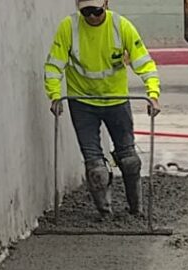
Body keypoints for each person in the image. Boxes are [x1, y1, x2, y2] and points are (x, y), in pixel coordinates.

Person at [44, 0, 162, 217]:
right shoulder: (68, 28)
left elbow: (144, 63)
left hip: (116, 101)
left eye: (96, 12)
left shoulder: (121, 26)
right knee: (95, 167)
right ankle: (105, 214)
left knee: (129, 160)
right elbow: (54, 65)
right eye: (86, 12)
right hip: (82, 103)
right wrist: (54, 96)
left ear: (106, 5)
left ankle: (136, 210)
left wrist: (152, 94)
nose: (92, 17)